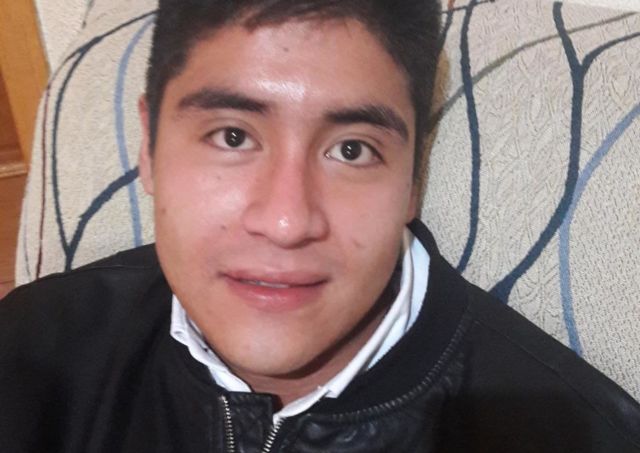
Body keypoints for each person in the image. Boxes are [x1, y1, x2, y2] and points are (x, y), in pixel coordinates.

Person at [1, 0, 639, 451]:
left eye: (352, 150)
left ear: (412, 178)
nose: (286, 222)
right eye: (232, 136)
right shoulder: (28, 349)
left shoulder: (577, 433)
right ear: (149, 146)